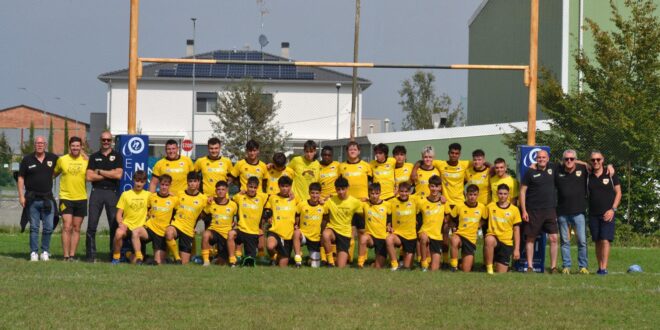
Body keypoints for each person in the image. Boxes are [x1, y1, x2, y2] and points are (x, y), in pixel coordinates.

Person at [17, 136, 59, 261]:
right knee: (34, 227)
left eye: (42, 143)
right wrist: (20, 196)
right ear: (34, 145)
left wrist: (53, 175)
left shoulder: (53, 158)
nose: (40, 145)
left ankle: (45, 251)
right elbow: (20, 178)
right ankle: (34, 253)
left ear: (45, 145)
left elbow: (63, 166)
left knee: (48, 227)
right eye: (37, 143)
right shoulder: (27, 159)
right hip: (32, 200)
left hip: (47, 199)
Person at [85, 130, 123, 262]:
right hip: (97, 192)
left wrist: (100, 171)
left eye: (108, 140)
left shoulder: (117, 156)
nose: (106, 142)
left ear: (111, 141)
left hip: (112, 192)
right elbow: (89, 177)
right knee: (91, 225)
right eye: (103, 140)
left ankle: (113, 255)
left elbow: (118, 175)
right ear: (100, 140)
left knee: (113, 225)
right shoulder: (94, 157)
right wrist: (109, 173)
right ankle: (90, 256)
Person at [519, 149, 559, 273]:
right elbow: (522, 191)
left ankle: (553, 267)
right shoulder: (530, 172)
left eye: (544, 157)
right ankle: (530, 266)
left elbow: (572, 162)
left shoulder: (553, 168)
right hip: (533, 210)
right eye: (539, 157)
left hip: (550, 210)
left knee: (553, 238)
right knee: (531, 238)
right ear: (536, 159)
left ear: (548, 158)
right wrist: (524, 210)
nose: (541, 159)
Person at [555, 149, 590, 274]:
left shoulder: (583, 169)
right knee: (565, 241)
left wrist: (611, 167)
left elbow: (592, 165)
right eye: (566, 159)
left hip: (579, 212)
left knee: (582, 241)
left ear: (575, 160)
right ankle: (566, 267)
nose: (569, 161)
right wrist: (533, 165)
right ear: (563, 160)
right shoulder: (557, 171)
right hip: (562, 213)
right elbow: (544, 165)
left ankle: (583, 267)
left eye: (572, 159)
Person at [54, 136, 89, 261]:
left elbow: (91, 173)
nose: (75, 148)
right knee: (67, 226)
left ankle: (72, 255)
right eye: (73, 146)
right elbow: (53, 174)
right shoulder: (62, 160)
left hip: (81, 198)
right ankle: (66, 256)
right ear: (69, 147)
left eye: (77, 146)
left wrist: (87, 157)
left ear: (81, 147)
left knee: (76, 228)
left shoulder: (86, 161)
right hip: (66, 197)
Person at [587, 151, 621, 275]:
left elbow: (618, 193)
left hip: (608, 213)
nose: (596, 162)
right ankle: (599, 266)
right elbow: (574, 162)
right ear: (590, 161)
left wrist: (613, 209)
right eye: (593, 160)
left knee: (605, 240)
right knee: (597, 241)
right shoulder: (588, 175)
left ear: (603, 160)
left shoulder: (610, 173)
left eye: (598, 159)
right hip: (593, 214)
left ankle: (603, 268)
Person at [164, 172, 208, 264]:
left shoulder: (203, 199)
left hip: (188, 231)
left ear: (198, 183)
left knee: (185, 263)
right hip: (176, 225)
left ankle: (179, 259)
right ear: (187, 182)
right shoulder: (180, 194)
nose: (192, 183)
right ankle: (176, 258)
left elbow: (206, 213)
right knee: (169, 233)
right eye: (190, 181)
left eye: (195, 181)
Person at [322, 177, 363, 268]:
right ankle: (330, 262)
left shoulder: (355, 202)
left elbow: (363, 214)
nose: (340, 192)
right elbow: (324, 215)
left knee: (341, 267)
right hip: (333, 230)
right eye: (338, 189)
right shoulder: (330, 201)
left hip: (345, 234)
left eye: (343, 189)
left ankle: (340, 257)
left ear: (347, 188)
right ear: (335, 189)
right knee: (325, 234)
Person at [227, 176, 269, 266]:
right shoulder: (240, 197)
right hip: (241, 230)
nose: (252, 189)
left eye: (254, 187)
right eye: (250, 187)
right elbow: (229, 202)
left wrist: (291, 193)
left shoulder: (262, 197)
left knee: (250, 261)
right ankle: (232, 259)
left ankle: (247, 257)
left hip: (253, 233)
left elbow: (274, 197)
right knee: (231, 234)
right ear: (246, 186)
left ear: (257, 188)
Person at [111, 170, 150, 264]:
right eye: (137, 181)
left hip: (140, 228)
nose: (139, 184)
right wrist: (121, 224)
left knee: (136, 262)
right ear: (133, 180)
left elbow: (153, 210)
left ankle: (130, 255)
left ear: (145, 182)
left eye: (141, 181)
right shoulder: (125, 194)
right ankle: (116, 257)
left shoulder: (149, 195)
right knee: (118, 233)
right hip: (127, 226)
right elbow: (119, 214)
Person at [449, 184, 488, 272]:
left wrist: (479, 225)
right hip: (460, 234)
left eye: (474, 195)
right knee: (454, 239)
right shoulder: (459, 206)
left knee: (466, 270)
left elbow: (485, 219)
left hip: (471, 239)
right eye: (470, 194)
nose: (472, 197)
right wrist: (454, 227)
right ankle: (453, 265)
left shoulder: (482, 207)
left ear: (478, 195)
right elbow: (451, 219)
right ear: (466, 195)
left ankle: (460, 263)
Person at [484, 184, 521, 274]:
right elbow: (481, 220)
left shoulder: (514, 210)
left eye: (505, 194)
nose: (502, 196)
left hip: (506, 243)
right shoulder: (490, 207)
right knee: (489, 239)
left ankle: (498, 264)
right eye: (500, 193)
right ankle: (489, 269)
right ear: (497, 193)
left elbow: (516, 230)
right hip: (494, 240)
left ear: (509, 194)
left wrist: (516, 249)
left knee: (501, 273)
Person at [143, 174, 178, 265]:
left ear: (170, 186)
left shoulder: (174, 199)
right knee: (136, 233)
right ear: (159, 185)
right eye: (162, 184)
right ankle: (138, 256)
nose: (164, 187)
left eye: (166, 185)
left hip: (162, 232)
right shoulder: (152, 197)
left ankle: (160, 258)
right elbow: (146, 211)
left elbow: (178, 214)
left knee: (158, 262)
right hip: (150, 228)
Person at [201, 180, 238, 266]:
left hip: (226, 234)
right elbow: (202, 215)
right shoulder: (211, 203)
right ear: (215, 191)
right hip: (214, 231)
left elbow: (236, 219)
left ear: (227, 190)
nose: (220, 191)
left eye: (223, 189)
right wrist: (206, 203)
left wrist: (234, 224)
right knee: (206, 234)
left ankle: (219, 257)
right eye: (218, 189)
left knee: (221, 263)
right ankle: (206, 261)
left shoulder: (233, 205)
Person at [264, 176, 297, 267]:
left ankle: (280, 257)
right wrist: (268, 217)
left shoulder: (295, 199)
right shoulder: (273, 198)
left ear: (290, 187)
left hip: (288, 235)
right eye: (282, 186)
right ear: (279, 186)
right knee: (270, 246)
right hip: (275, 231)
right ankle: (273, 256)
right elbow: (267, 210)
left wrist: (297, 225)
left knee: (282, 266)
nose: (285, 189)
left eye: (287, 186)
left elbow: (301, 212)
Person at [416, 175, 448, 271]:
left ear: (440, 188)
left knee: (434, 269)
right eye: (432, 186)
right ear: (429, 186)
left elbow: (447, 217)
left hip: (437, 236)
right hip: (424, 232)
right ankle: (424, 262)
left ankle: (431, 261)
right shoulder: (421, 202)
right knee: (424, 238)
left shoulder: (444, 202)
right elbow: (417, 218)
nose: (434, 189)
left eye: (437, 186)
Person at [358, 183, 391, 269]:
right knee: (363, 237)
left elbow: (391, 217)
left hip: (382, 238)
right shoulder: (364, 204)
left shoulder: (387, 205)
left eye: (376, 193)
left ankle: (374, 263)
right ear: (369, 193)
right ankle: (360, 263)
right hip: (370, 237)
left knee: (378, 267)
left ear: (380, 193)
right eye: (372, 193)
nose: (374, 196)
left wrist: (389, 225)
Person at [293, 182, 326, 268]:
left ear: (320, 193)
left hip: (315, 238)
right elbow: (296, 215)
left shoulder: (324, 206)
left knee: (315, 266)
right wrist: (296, 225)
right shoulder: (302, 204)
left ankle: (309, 260)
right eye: (312, 193)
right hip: (303, 235)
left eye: (317, 193)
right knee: (296, 233)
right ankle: (298, 260)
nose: (314, 195)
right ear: (309, 193)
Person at [386, 183, 418, 270]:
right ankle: (394, 264)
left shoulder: (415, 200)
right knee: (389, 239)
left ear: (409, 192)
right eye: (401, 191)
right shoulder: (392, 201)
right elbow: (381, 206)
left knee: (407, 267)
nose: (404, 193)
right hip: (398, 234)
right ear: (398, 191)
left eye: (406, 191)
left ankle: (404, 262)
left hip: (410, 236)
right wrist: (388, 225)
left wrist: (441, 197)